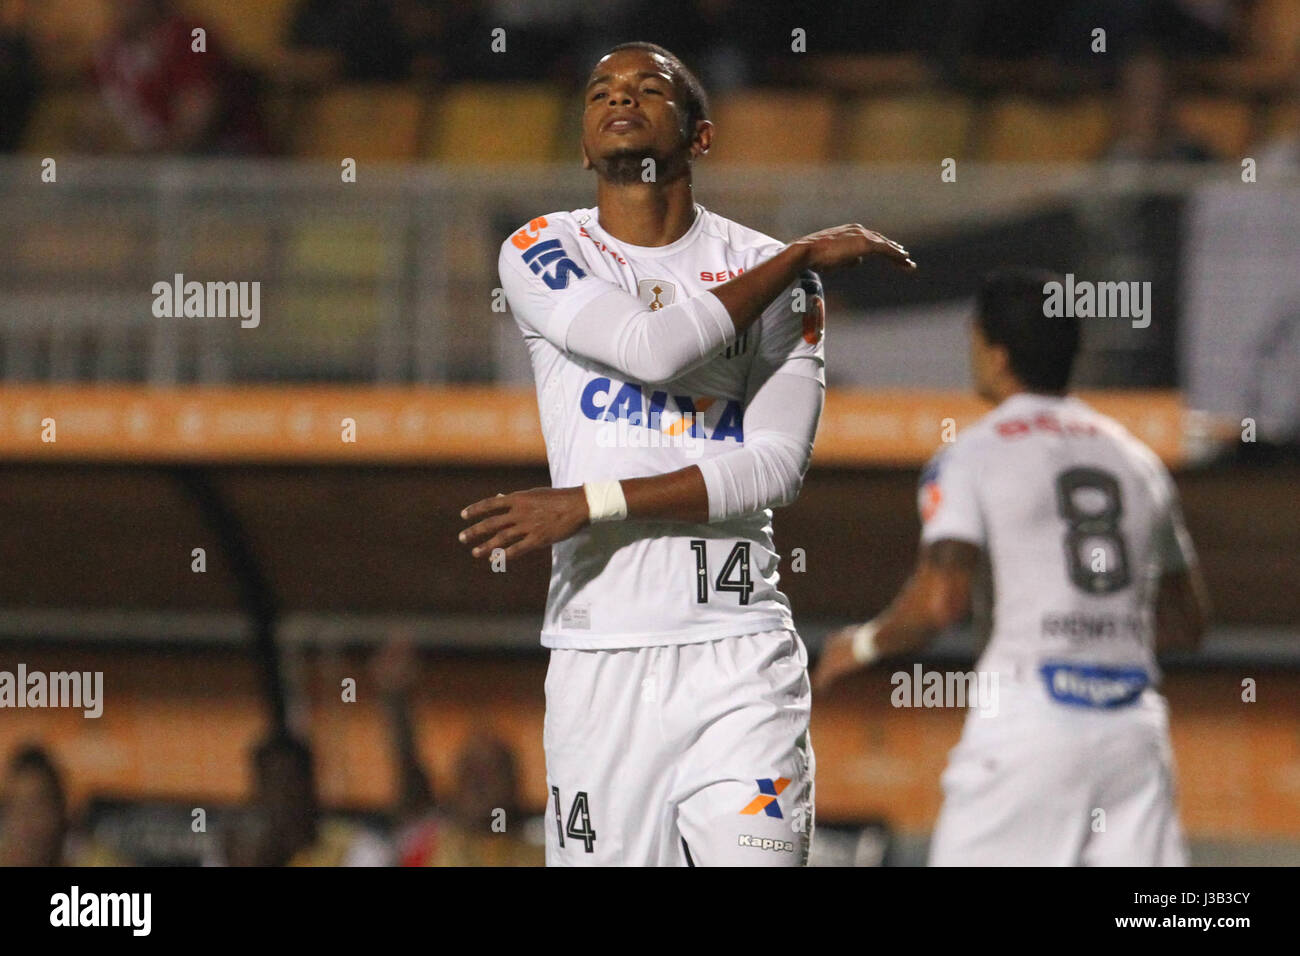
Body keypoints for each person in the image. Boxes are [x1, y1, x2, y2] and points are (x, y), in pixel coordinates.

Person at [458, 41, 914, 866]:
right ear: (584, 145)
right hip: (601, 654)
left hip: (736, 654)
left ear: (699, 137)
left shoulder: (770, 273)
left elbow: (776, 467)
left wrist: (596, 501)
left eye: (648, 88)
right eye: (601, 91)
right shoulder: (540, 248)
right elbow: (652, 350)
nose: (619, 98)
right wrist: (801, 254)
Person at [814, 268, 1210, 866]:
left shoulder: (974, 454)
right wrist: (1097, 638)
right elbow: (1188, 623)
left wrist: (862, 645)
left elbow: (940, 600)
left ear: (994, 353)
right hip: (1133, 730)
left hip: (1030, 726)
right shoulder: (1138, 462)